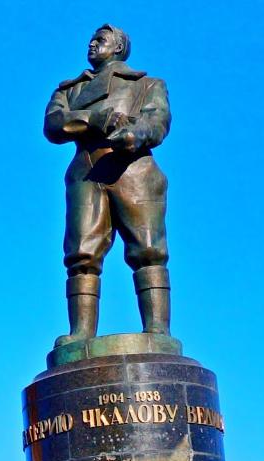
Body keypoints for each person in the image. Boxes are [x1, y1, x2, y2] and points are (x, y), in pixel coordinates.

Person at [44, 24, 172, 344]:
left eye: (101, 40)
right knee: (81, 255)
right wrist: (91, 118)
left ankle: (158, 332)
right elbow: (53, 124)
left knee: (149, 250)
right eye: (91, 38)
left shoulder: (147, 84)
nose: (92, 43)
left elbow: (157, 121)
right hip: (87, 172)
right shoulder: (70, 90)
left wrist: (135, 134)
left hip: (134, 169)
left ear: (118, 48)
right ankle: (81, 334)